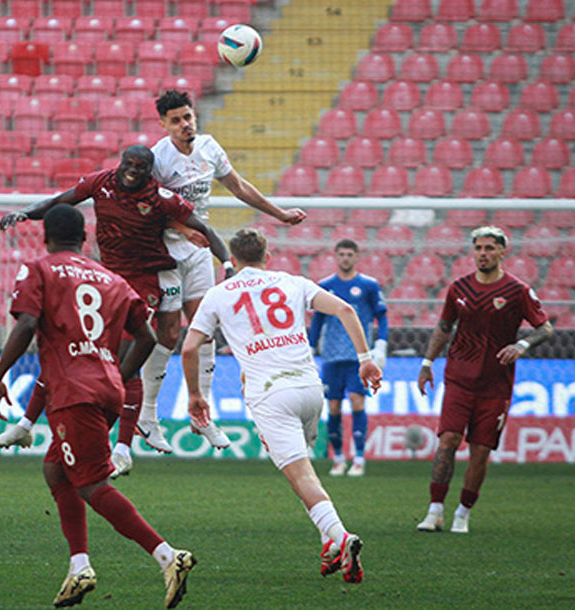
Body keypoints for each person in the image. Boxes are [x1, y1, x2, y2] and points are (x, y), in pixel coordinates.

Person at [0, 204, 196, 609]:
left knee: (90, 483)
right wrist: (118, 374)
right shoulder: (112, 278)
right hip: (107, 389)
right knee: (55, 468)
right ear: (85, 239)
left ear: (46, 235)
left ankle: (169, 557)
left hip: (71, 392)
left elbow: (27, 324)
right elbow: (147, 337)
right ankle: (78, 567)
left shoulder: (39, 268)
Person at [0, 145, 231, 477]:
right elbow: (61, 202)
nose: (132, 170)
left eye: (141, 166)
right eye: (128, 164)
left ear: (150, 170)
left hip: (143, 282)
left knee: (124, 352)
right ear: (119, 164)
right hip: (107, 277)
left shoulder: (160, 197)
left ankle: (122, 447)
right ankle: (26, 424)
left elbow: (205, 230)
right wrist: (26, 213)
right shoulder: (100, 182)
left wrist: (228, 263)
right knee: (75, 345)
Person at [182, 228, 381, 584]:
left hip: (272, 395)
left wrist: (196, 395)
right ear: (267, 256)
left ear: (233, 260)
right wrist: (365, 359)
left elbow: (189, 348)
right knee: (301, 469)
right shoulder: (293, 282)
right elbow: (346, 309)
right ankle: (328, 542)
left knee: (300, 475)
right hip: (309, 388)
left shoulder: (218, 294)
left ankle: (341, 537)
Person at [137, 89, 309, 454]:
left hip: (199, 252)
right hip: (165, 252)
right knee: (168, 334)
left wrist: (278, 213)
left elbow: (238, 186)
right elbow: (146, 205)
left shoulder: (210, 148)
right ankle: (148, 415)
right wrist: (183, 229)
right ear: (163, 125)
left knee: (204, 330)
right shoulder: (156, 158)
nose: (185, 125)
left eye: (188, 117)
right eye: (176, 120)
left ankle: (202, 414)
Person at [416, 226, 552, 534]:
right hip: (459, 378)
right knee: (448, 440)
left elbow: (546, 329)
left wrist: (522, 345)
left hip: (495, 385)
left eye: (490, 248)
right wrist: (427, 363)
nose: (483, 254)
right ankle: (434, 510)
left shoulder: (518, 291)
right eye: (479, 248)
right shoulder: (459, 288)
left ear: (503, 251)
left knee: (480, 450)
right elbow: (444, 326)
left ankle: (462, 513)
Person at [307, 239, 389, 477]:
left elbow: (381, 316)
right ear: (336, 256)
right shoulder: (325, 286)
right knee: (332, 406)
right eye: (341, 254)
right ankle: (339, 458)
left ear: (356, 257)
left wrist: (381, 345)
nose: (345, 258)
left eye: (349, 254)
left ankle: (360, 458)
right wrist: (310, 350)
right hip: (331, 357)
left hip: (358, 357)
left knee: (357, 402)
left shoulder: (369, 286)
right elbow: (318, 321)